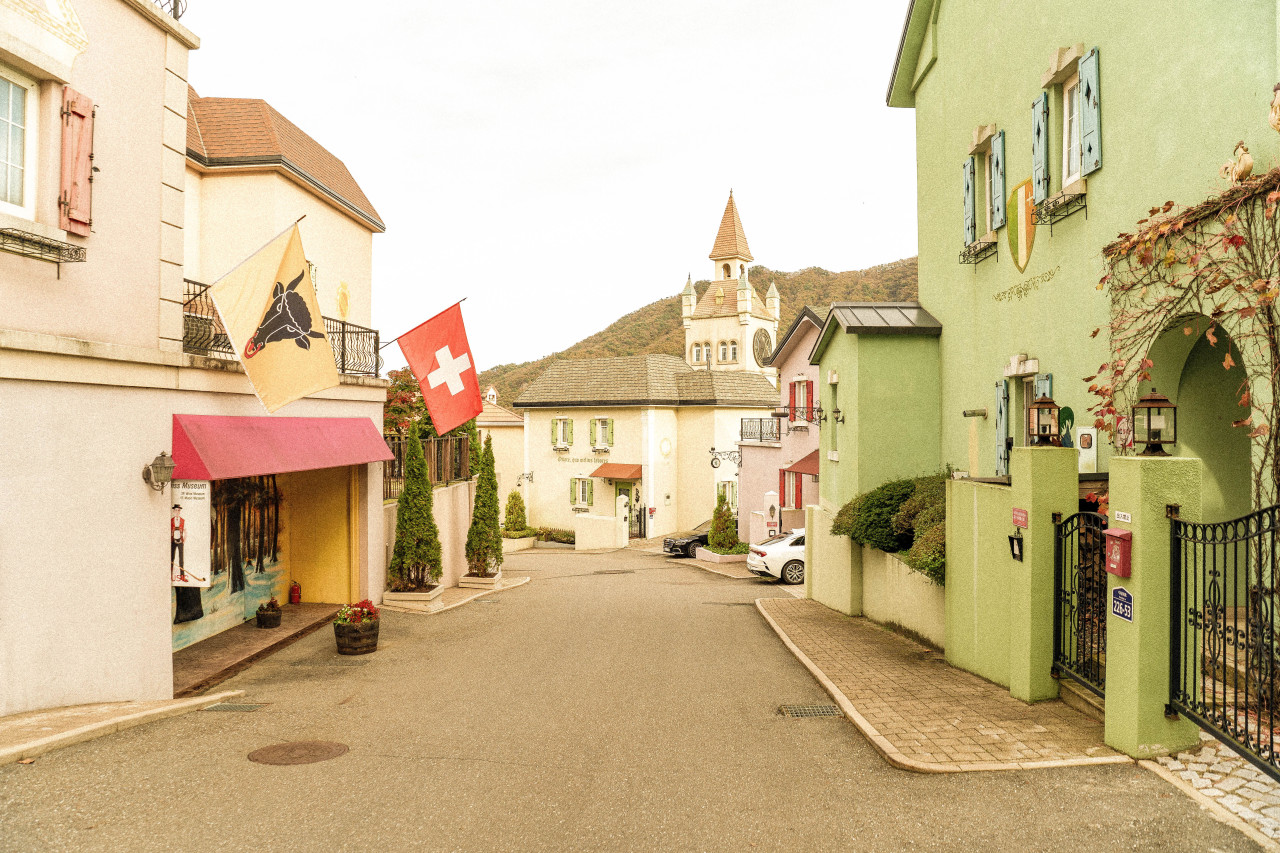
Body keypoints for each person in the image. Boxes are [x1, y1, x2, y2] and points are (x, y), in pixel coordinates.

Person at [171, 504, 186, 581]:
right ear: (174, 511)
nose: (177, 512)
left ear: (180, 511)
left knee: (181, 559)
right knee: (171, 558)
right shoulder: (171, 520)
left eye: (178, 510)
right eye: (176, 510)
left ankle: (182, 576)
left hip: (180, 541)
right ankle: (170, 576)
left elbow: (185, 531)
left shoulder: (183, 520)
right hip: (172, 541)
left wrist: (183, 540)